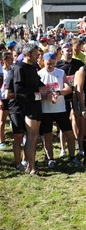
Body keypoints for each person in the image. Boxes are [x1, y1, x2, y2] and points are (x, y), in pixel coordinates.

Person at [13, 44, 50, 175]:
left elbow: (39, 83)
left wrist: (48, 89)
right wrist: (37, 90)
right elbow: (18, 90)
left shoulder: (33, 67)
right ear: (28, 54)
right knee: (31, 136)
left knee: (34, 137)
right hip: (27, 106)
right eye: (36, 54)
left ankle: (30, 165)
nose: (38, 57)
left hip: (37, 104)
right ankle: (32, 167)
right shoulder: (19, 68)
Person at [38, 52, 79, 167]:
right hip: (46, 110)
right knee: (47, 136)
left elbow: (68, 89)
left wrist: (58, 93)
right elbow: (36, 94)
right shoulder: (39, 74)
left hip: (60, 109)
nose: (50, 66)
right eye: (48, 64)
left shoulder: (60, 73)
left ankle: (72, 157)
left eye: (52, 63)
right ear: (43, 62)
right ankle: (50, 159)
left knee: (69, 134)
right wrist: (47, 97)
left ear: (55, 62)